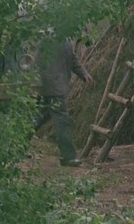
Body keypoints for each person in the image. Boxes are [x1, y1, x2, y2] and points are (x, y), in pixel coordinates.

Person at [35, 32, 93, 166]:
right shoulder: (47, 39)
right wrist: (44, 81)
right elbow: (37, 62)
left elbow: (72, 58)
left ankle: (15, 145)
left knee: (39, 117)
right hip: (51, 86)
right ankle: (68, 156)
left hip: (55, 87)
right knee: (62, 120)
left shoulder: (64, 38)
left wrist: (83, 73)